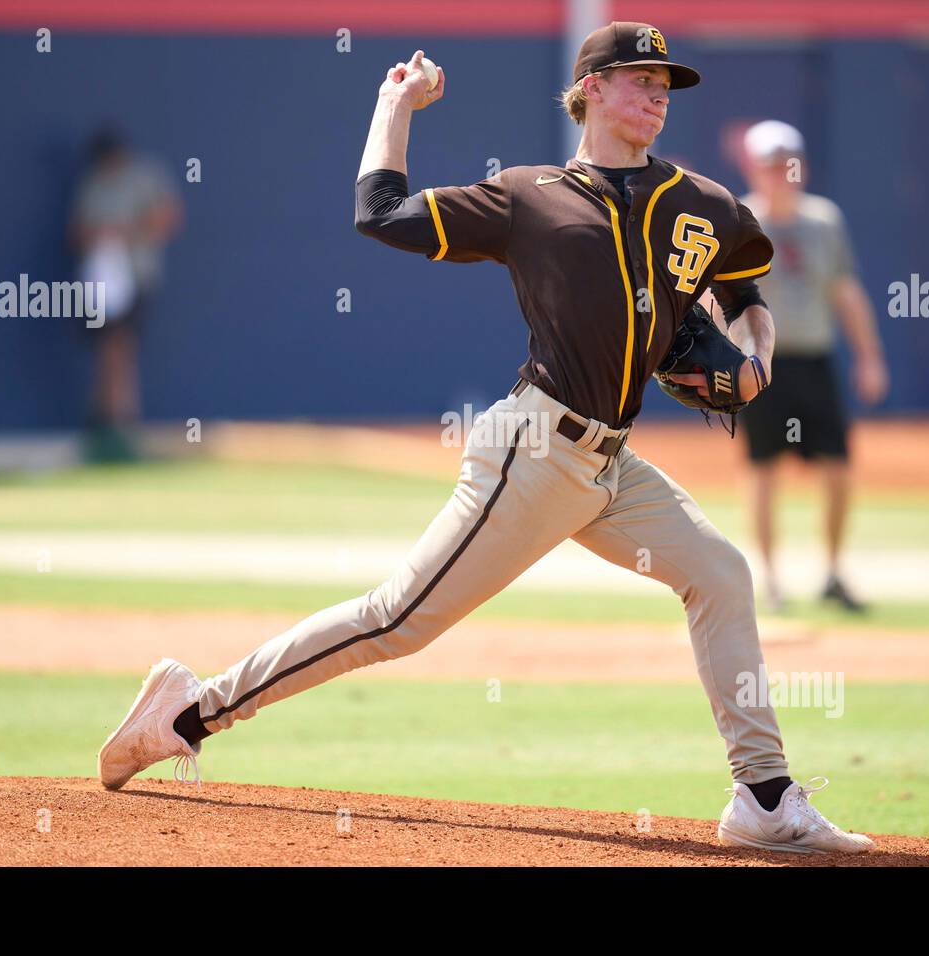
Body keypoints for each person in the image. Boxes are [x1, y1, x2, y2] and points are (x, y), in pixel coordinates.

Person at [97, 23, 873, 854]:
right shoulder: (529, 196)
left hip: (612, 463)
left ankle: (763, 796)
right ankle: (190, 708)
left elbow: (744, 281)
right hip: (534, 454)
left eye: (664, 83)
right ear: (592, 90)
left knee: (720, 573)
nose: (657, 94)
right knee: (396, 620)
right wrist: (395, 105)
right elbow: (380, 213)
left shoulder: (701, 200)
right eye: (639, 78)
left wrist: (753, 360)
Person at [720, 121, 887, 613]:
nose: (781, 173)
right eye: (771, 164)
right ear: (754, 168)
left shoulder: (823, 221)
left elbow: (846, 292)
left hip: (815, 357)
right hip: (760, 362)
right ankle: (769, 577)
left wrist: (868, 356)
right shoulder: (740, 218)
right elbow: (718, 297)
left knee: (837, 465)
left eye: (788, 162)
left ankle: (833, 570)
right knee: (762, 468)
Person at [69, 126, 183, 461]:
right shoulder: (92, 183)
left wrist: (124, 232)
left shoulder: (146, 176)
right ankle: (103, 421)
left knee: (122, 347)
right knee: (106, 349)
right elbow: (76, 231)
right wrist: (100, 236)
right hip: (100, 282)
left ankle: (123, 423)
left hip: (134, 279)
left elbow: (168, 217)